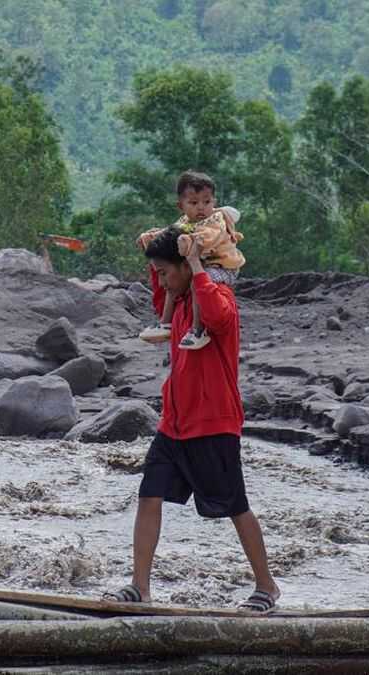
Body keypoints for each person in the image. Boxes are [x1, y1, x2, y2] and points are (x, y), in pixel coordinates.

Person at [103, 226, 280, 613]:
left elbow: (216, 317)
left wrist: (197, 262)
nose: (162, 281)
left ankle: (267, 587)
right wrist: (156, 258)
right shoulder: (180, 301)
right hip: (175, 424)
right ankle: (140, 587)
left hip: (213, 423)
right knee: (149, 496)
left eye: (166, 272)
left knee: (236, 506)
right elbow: (161, 295)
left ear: (188, 267)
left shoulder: (218, 298)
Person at [136, 171, 244, 350]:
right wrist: (153, 238)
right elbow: (173, 232)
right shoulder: (185, 221)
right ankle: (165, 322)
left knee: (197, 282)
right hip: (202, 265)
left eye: (207, 202)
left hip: (223, 266)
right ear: (181, 205)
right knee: (175, 286)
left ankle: (198, 329)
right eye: (194, 203)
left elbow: (208, 237)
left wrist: (191, 245)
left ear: (214, 202)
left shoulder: (215, 221)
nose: (201, 207)